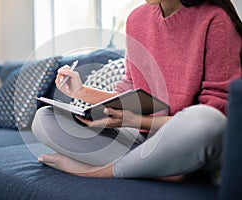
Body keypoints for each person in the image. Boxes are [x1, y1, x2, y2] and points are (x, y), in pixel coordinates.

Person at [32, 0, 242, 181]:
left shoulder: (215, 20)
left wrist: (135, 121)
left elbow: (220, 111)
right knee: (45, 119)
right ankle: (163, 169)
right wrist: (81, 92)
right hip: (144, 139)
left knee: (206, 122)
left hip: (187, 138)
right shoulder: (137, 20)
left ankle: (97, 172)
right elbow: (130, 90)